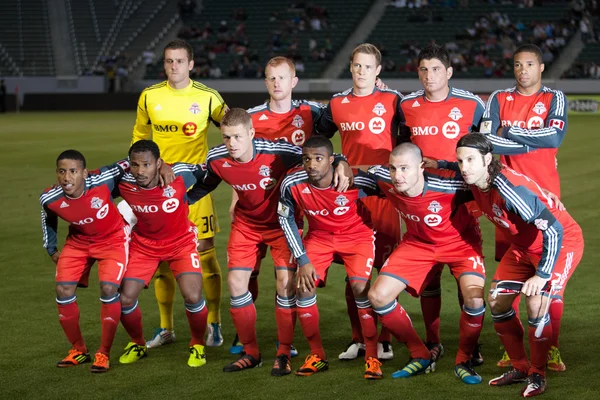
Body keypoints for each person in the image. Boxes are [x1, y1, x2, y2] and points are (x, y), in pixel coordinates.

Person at [186, 108, 351, 376]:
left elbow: (315, 155)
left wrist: (341, 161)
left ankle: (283, 352)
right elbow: (206, 183)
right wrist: (179, 203)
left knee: (285, 286)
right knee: (236, 284)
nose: (232, 144)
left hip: (282, 225)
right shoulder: (218, 158)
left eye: (238, 137)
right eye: (227, 137)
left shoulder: (278, 152)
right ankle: (251, 352)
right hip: (246, 226)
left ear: (251, 133)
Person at [452, 133, 583, 397]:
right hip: (523, 248)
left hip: (560, 242)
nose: (464, 167)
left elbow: (554, 230)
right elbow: (444, 169)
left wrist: (542, 275)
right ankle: (520, 366)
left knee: (535, 301)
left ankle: (538, 373)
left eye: (470, 160)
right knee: (497, 302)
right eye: (460, 161)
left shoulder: (509, 189)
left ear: (488, 159)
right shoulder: (475, 179)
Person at [131, 39, 227, 348]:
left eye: (180, 61)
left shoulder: (209, 98)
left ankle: (214, 323)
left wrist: (213, 166)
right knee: (161, 261)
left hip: (195, 192)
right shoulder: (149, 96)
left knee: (206, 257)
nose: (174, 66)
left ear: (191, 64)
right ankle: (166, 328)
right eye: (169, 61)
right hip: (158, 194)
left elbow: (231, 131)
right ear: (164, 64)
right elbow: (138, 138)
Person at [361, 143, 485, 383]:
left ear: (421, 166)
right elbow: (350, 171)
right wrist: (339, 162)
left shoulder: (450, 185)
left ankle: (463, 359)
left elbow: (489, 180)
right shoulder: (384, 179)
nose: (398, 176)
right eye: (394, 169)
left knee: (474, 298)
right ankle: (420, 354)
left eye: (405, 168)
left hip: (461, 245)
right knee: (378, 296)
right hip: (418, 244)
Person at [227, 56, 324, 355]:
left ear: (293, 81)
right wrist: (235, 197)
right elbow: (237, 160)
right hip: (254, 206)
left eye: (282, 77)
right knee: (248, 272)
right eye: (271, 78)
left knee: (287, 277)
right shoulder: (252, 117)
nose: (277, 83)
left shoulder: (311, 112)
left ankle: (288, 339)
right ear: (266, 81)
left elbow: (340, 125)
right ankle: (245, 332)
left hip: (292, 207)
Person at [316, 43, 407, 361]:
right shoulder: (337, 103)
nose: (361, 71)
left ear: (378, 70)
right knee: (355, 273)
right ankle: (358, 339)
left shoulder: (394, 101)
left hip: (384, 198)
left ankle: (384, 340)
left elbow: (409, 141)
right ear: (350, 67)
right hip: (350, 198)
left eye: (368, 67)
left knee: (386, 268)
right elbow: (320, 138)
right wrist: (338, 159)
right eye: (357, 65)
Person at [480, 44, 568, 370]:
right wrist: (529, 136)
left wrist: (512, 131)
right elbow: (488, 139)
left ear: (541, 67)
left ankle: (552, 347)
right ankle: (511, 346)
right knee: (511, 273)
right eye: (517, 64)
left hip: (546, 198)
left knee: (549, 278)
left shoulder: (553, 98)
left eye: (529, 64)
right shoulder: (498, 98)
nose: (522, 70)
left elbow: (555, 137)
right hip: (508, 199)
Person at [400, 43, 486, 365]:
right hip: (421, 205)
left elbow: (486, 149)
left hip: (461, 202)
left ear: (448, 72)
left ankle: (471, 345)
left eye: (435, 69)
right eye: (423, 69)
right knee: (429, 278)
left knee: (466, 279)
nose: (429, 75)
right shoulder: (406, 105)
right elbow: (400, 147)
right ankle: (433, 341)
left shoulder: (471, 104)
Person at [278, 136, 382, 379]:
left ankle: (372, 357)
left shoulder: (352, 178)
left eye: (318, 158)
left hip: (357, 237)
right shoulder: (292, 182)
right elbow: (285, 218)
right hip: (320, 237)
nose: (311, 164)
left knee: (360, 288)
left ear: (331, 160)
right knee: (302, 288)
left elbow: (388, 188)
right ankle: (317, 355)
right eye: (307, 159)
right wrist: (302, 260)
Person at [116, 140, 210, 367]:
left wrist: (189, 198)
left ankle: (197, 345)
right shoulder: (123, 181)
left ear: (158, 163)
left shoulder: (179, 174)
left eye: (146, 165)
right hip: (145, 246)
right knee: (124, 298)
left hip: (181, 243)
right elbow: (96, 182)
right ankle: (138, 344)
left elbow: (210, 172)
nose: (140, 171)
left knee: (193, 296)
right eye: (135, 165)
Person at [40, 151, 131, 373]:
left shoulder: (103, 179)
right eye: (62, 171)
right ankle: (78, 350)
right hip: (78, 242)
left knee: (109, 288)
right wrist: (51, 248)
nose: (66, 177)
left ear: (84, 173)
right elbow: (48, 218)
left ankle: (104, 353)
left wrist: (164, 166)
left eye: (72, 171)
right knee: (63, 290)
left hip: (113, 239)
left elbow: (131, 162)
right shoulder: (50, 198)